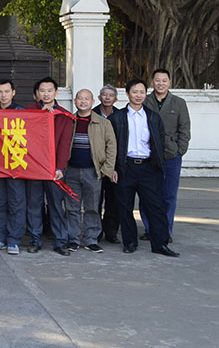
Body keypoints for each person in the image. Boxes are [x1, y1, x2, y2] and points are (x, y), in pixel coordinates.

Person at [108, 79, 179, 257]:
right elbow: (111, 145)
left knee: (156, 206)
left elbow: (159, 142)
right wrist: (113, 168)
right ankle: (130, 242)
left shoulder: (153, 117)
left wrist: (158, 165)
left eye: (142, 92)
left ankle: (160, 243)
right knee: (125, 207)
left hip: (149, 167)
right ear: (127, 94)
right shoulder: (117, 118)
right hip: (126, 167)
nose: (138, 96)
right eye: (135, 92)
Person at [25, 77, 74, 256]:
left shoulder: (64, 115)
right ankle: (35, 239)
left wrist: (60, 167)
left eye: (49, 90)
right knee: (34, 205)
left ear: (56, 92)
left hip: (54, 169)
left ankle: (60, 241)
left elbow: (65, 144)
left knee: (56, 205)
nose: (46, 94)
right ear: (37, 93)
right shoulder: (29, 112)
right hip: (34, 167)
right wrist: (40, 116)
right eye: (42, 91)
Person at [64, 89, 116, 253]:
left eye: (87, 99)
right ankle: (73, 239)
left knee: (92, 207)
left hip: (93, 171)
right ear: (75, 101)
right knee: (72, 208)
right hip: (71, 171)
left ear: (93, 102)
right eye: (80, 98)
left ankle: (91, 239)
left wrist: (107, 169)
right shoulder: (69, 121)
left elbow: (111, 147)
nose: (83, 101)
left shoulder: (103, 123)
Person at [143, 69, 191, 241]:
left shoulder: (179, 103)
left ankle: (165, 230)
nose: (161, 83)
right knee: (147, 194)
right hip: (148, 155)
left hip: (171, 155)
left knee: (169, 195)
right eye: (157, 80)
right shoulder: (145, 101)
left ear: (170, 83)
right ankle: (150, 229)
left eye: (164, 80)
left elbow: (184, 129)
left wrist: (179, 150)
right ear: (152, 82)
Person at [0, 79, 26, 255]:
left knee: (17, 202)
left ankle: (14, 240)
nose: (3, 95)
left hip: (15, 165)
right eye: (0, 92)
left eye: (7, 91)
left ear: (13, 93)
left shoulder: (22, 112)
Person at [93, 84, 120, 243]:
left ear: (115, 99)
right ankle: (96, 232)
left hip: (113, 165)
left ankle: (111, 232)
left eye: (111, 95)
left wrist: (113, 167)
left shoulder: (120, 116)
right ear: (99, 97)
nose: (107, 97)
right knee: (95, 201)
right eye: (104, 94)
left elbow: (119, 144)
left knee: (113, 200)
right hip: (95, 165)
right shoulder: (92, 114)